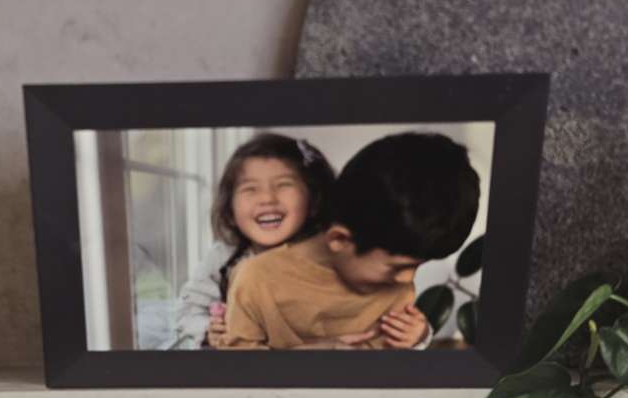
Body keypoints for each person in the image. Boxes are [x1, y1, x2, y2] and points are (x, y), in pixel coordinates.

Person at [220, 132, 480, 350]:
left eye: (417, 266)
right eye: (397, 267)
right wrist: (311, 356)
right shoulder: (255, 280)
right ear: (340, 239)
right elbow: (236, 366)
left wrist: (418, 338)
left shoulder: (395, 287)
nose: (407, 280)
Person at [171, 133, 334, 350]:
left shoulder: (326, 256)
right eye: (250, 189)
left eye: (283, 185)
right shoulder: (223, 257)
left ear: (313, 201)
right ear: (230, 210)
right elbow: (187, 309)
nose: (267, 199)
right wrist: (208, 329)